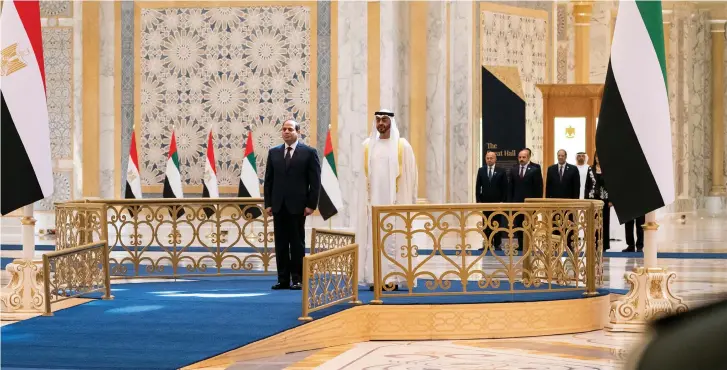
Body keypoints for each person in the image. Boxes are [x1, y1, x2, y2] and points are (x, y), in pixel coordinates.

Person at [355, 109, 417, 290]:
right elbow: (362, 178)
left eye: (384, 120)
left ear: (391, 122)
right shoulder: (367, 146)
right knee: (373, 240)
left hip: (395, 204)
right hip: (373, 203)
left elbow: (411, 176)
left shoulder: (402, 146)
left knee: (393, 240)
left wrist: (407, 201)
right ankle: (374, 278)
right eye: (378, 120)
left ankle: (393, 278)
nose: (381, 123)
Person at [264, 120, 321, 290]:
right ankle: (283, 279)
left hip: (299, 207)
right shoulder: (273, 153)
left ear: (298, 131)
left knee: (297, 244)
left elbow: (315, 182)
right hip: (278, 206)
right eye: (284, 129)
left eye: (290, 129)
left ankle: (297, 279)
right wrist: (268, 204)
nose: (286, 132)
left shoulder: (309, 153)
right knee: (280, 244)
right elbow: (269, 181)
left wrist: (311, 204)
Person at [508, 149, 544, 251]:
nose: (521, 159)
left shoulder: (534, 170)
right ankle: (521, 245)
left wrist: (538, 203)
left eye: (523, 157)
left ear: (528, 158)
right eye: (520, 157)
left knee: (529, 224)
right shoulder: (514, 169)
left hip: (530, 203)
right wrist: (510, 202)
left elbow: (538, 187)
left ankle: (529, 245)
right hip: (517, 203)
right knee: (518, 224)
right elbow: (510, 187)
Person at [475, 150, 507, 251]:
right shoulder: (481, 170)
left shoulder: (501, 171)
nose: (489, 160)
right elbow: (478, 186)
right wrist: (478, 200)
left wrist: (503, 200)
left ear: (495, 159)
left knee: (497, 222)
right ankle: (487, 244)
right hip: (485, 202)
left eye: (491, 158)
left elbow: (505, 187)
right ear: (485, 159)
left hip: (497, 202)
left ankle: (497, 244)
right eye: (487, 158)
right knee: (486, 223)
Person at [584, 151, 610, 251]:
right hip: (592, 199)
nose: (598, 158)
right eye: (596, 157)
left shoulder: (607, 169)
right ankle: (593, 243)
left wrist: (611, 200)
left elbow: (611, 186)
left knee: (604, 222)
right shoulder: (590, 169)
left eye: (600, 157)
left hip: (605, 200)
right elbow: (587, 185)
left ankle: (604, 245)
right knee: (593, 222)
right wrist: (586, 199)